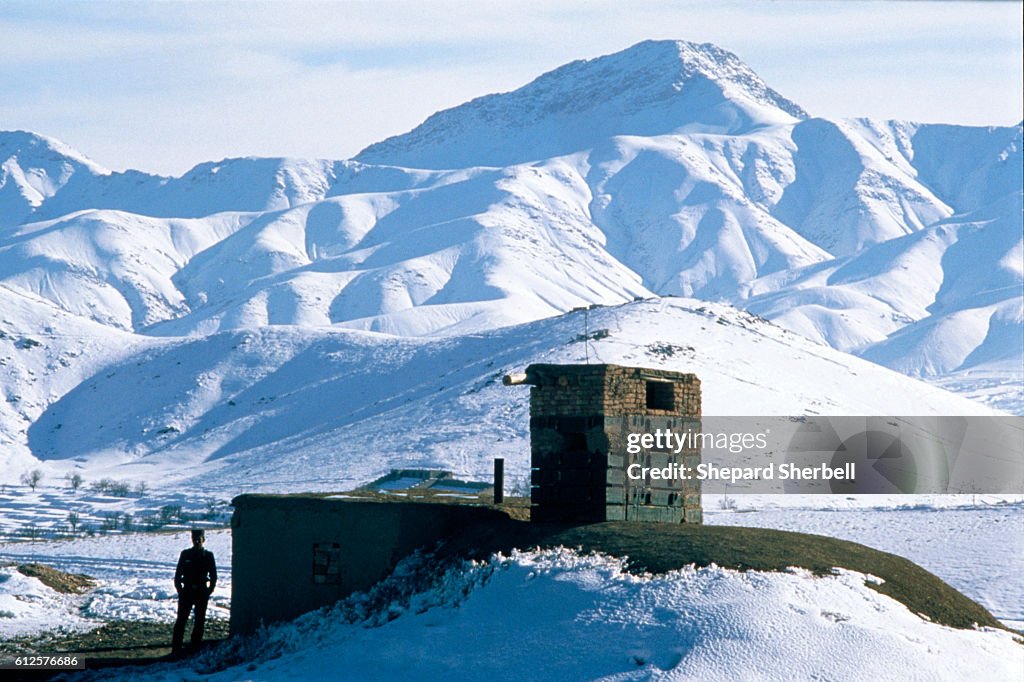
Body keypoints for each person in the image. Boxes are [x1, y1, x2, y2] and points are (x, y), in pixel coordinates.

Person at [171, 528, 217, 653]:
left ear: (203, 540)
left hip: (201, 592)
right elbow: (178, 574)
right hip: (187, 591)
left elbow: (213, 575)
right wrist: (180, 590)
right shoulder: (185, 554)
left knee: (199, 620)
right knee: (181, 619)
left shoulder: (208, 556)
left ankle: (195, 647)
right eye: (195, 539)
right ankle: (176, 648)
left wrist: (209, 591)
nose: (197, 542)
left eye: (199, 540)